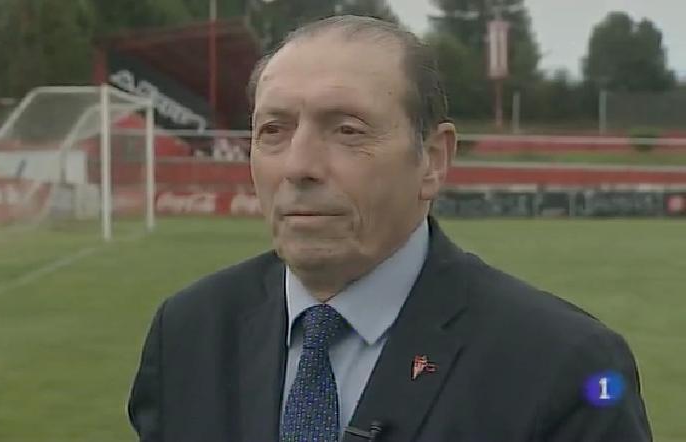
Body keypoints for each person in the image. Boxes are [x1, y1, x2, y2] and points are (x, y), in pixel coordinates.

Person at [127, 15, 652, 442]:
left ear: (433, 160)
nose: (298, 165)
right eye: (273, 130)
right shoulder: (188, 332)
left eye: (347, 130)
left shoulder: (562, 364)